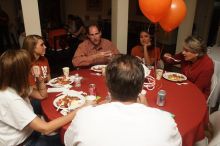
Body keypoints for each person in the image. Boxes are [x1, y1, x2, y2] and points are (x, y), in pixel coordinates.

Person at [65, 54, 182, 146]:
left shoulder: (83, 117)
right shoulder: (166, 122)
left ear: (107, 84)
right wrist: (147, 109)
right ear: (142, 86)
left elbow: (69, 142)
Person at [0, 49, 78, 146]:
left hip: (30, 131)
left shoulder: (15, 84)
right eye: (29, 66)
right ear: (21, 72)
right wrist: (78, 111)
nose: (32, 68)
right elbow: (45, 128)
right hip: (24, 141)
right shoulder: (10, 98)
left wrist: (40, 79)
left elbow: (42, 95)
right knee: (67, 139)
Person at [22, 35, 51, 114]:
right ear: (33, 48)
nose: (45, 47)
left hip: (45, 91)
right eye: (41, 45)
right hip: (34, 99)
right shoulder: (27, 66)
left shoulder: (44, 59)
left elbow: (49, 79)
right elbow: (35, 91)